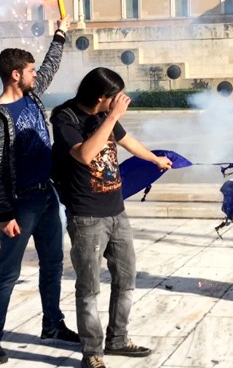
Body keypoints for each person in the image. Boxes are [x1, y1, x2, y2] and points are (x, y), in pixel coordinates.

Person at [50, 67, 172, 368]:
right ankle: (92, 352)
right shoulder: (65, 117)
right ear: (101, 97)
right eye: (113, 97)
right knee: (89, 287)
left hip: (116, 211)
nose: (119, 101)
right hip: (86, 217)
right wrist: (113, 116)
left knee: (126, 278)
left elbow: (126, 140)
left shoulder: (104, 116)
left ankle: (117, 338)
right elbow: (85, 154)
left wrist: (155, 159)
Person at [0, 18, 79, 365]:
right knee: (8, 271)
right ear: (15, 75)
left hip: (47, 197)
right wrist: (4, 213)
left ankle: (52, 324)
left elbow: (50, 67)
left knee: (53, 264)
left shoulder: (33, 96)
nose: (38, 75)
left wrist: (61, 34)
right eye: (31, 71)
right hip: (20, 204)